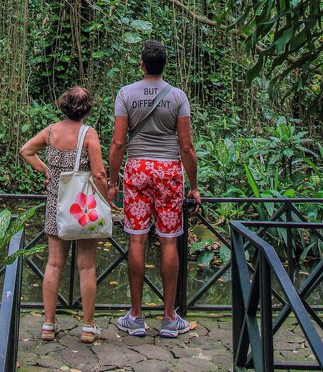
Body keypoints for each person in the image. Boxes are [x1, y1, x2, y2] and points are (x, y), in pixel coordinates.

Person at [107, 40, 200, 339]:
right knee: (169, 241)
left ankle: (135, 317)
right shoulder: (177, 96)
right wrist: (194, 187)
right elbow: (186, 146)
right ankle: (169, 318)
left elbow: (119, 143)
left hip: (137, 170)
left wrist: (112, 181)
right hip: (169, 170)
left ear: (141, 63)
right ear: (164, 65)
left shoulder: (126, 94)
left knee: (137, 239)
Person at [20, 86, 108, 344]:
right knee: (87, 265)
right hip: (83, 207)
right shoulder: (88, 134)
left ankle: (48, 324)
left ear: (63, 106)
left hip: (56, 203)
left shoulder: (50, 132)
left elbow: (26, 150)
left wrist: (46, 171)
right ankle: (88, 328)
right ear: (87, 108)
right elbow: (99, 174)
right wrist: (106, 200)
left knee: (54, 263)